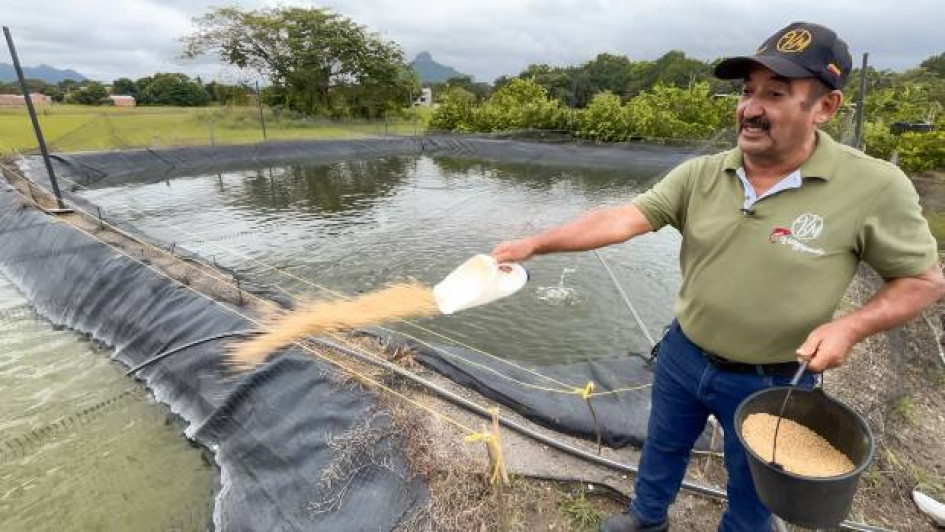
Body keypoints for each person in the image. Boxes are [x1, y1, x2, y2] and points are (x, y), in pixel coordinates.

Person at [490, 21, 945, 532]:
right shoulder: (702, 174)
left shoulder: (874, 186)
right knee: (662, 444)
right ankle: (646, 517)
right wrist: (535, 243)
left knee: (751, 491)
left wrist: (850, 327)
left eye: (776, 94)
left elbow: (923, 281)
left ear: (825, 107)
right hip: (684, 354)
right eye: (747, 91)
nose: (751, 107)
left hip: (773, 380)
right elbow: (623, 219)